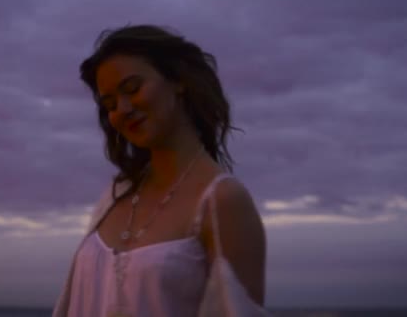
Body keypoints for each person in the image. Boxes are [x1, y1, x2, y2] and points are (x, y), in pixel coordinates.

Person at [53, 24, 267, 317]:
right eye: (110, 103)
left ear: (178, 80)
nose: (123, 109)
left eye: (132, 88)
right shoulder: (116, 196)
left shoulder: (222, 200)